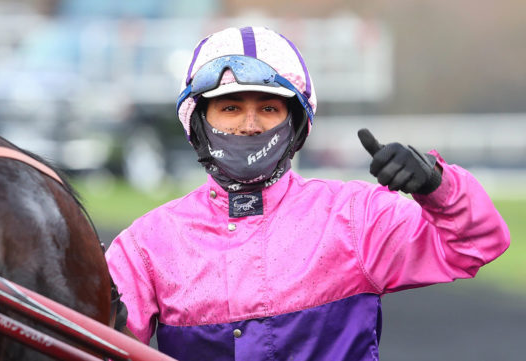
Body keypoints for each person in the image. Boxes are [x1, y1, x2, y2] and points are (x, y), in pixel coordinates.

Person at [104, 26, 510, 360]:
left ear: (295, 124)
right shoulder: (146, 247)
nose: (250, 126)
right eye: (229, 108)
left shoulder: (355, 216)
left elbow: (476, 244)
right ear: (199, 123)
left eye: (268, 108)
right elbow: (95, 347)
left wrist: (437, 187)